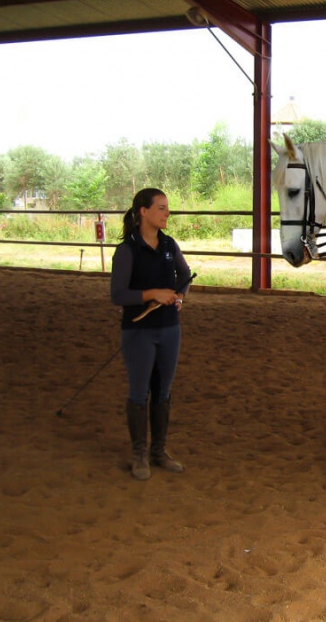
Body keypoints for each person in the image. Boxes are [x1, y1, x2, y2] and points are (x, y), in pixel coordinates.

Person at [111, 188, 191, 480]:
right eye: (161, 208)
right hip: (139, 331)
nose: (166, 213)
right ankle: (139, 453)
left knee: (163, 391)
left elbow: (184, 275)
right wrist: (152, 293)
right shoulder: (127, 250)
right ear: (143, 211)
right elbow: (118, 294)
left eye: (167, 208)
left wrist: (180, 296)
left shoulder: (169, 244)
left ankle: (159, 450)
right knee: (138, 392)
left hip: (170, 329)